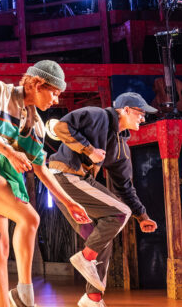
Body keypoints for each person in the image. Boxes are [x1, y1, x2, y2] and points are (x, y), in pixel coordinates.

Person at [0, 60, 92, 307]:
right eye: (54, 93)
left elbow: (40, 168)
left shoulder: (34, 124)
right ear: (37, 84)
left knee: (0, 247)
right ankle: (24, 293)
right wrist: (9, 152)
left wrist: (69, 202)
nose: (56, 100)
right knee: (30, 218)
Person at [48, 92, 159, 307]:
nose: (143, 119)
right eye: (140, 113)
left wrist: (142, 216)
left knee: (102, 240)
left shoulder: (120, 148)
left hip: (78, 183)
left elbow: (125, 187)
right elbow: (60, 128)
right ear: (125, 110)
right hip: (64, 176)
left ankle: (92, 299)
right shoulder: (97, 115)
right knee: (120, 212)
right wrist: (88, 150)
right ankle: (85, 258)